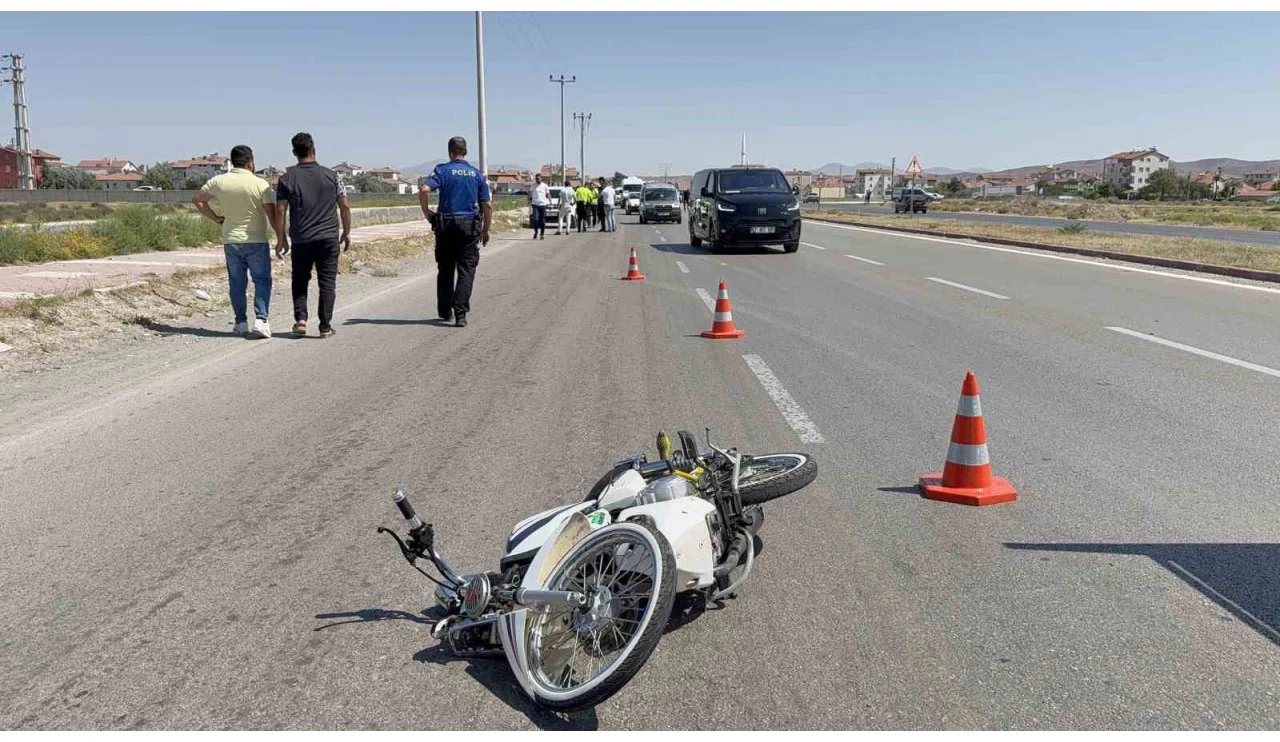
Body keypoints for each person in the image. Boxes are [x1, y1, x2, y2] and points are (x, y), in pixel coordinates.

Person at [192, 145, 277, 339]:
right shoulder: (260, 183)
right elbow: (271, 213)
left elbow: (198, 200)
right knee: (262, 280)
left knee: (237, 283)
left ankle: (240, 322)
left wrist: (215, 217)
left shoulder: (219, 181)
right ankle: (261, 320)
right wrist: (281, 235)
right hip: (256, 240)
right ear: (250, 161)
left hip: (231, 239)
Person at [273, 132, 351, 339]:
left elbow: (280, 210)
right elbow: (344, 206)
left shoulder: (286, 178)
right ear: (314, 149)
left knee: (299, 279)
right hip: (328, 238)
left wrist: (281, 238)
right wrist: (347, 232)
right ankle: (325, 327)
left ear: (294, 153)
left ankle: (300, 320)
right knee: (327, 282)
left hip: (301, 238)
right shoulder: (333, 176)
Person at [418, 136, 491, 327]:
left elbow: (424, 190)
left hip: (445, 225)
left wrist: (428, 214)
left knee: (445, 269)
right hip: (468, 226)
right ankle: (460, 314)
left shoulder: (442, 170)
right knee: (466, 270)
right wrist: (485, 230)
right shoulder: (477, 174)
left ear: (450, 151)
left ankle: (444, 311)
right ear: (465, 152)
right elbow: (487, 205)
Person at [529, 174, 550, 240]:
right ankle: (536, 232)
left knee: (542, 221)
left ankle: (542, 234)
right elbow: (529, 193)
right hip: (535, 205)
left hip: (543, 205)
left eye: (538, 179)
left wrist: (550, 201)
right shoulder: (533, 186)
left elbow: (548, 194)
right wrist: (528, 201)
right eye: (536, 179)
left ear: (541, 179)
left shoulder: (545, 186)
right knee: (535, 220)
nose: (537, 180)